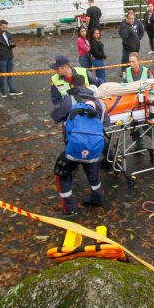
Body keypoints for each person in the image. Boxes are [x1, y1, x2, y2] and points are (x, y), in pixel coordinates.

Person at [50, 76, 110, 218]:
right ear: (86, 84)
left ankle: (70, 209)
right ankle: (97, 198)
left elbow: (55, 116)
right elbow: (106, 123)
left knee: (62, 175)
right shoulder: (100, 103)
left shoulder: (68, 100)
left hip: (73, 147)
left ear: (71, 85)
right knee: (93, 175)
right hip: (94, 147)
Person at [0, 19, 23, 97]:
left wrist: (13, 44)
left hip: (10, 57)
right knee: (2, 75)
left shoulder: (8, 34)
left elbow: (11, 44)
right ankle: (2, 91)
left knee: (10, 75)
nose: (5, 29)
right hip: (1, 59)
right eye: (4, 27)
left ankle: (12, 90)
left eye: (6, 27)